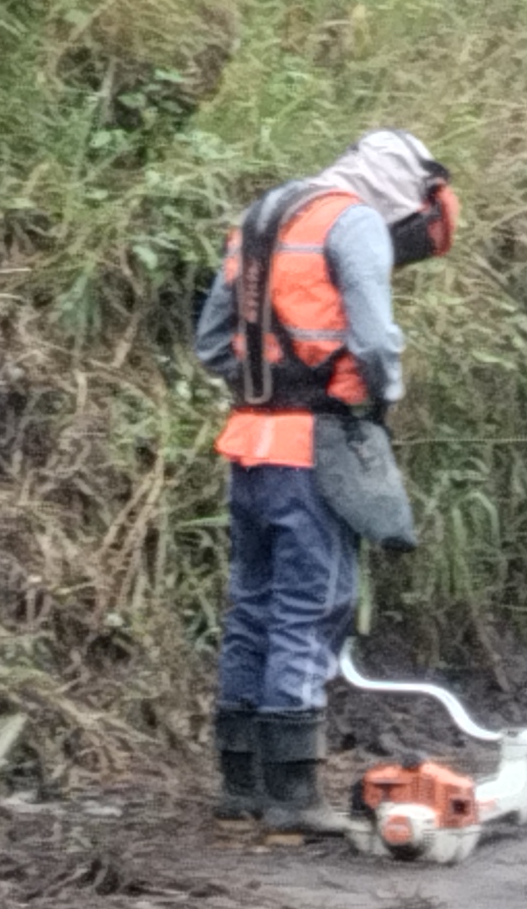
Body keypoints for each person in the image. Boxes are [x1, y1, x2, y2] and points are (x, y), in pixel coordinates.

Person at [192, 128, 457, 831]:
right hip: (316, 448)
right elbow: (373, 341)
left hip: (249, 442)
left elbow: (211, 343)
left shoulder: (262, 214)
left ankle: (241, 785)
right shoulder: (355, 221)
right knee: (311, 607)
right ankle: (293, 795)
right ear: (402, 190)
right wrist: (379, 397)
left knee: (252, 607)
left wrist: (267, 384)